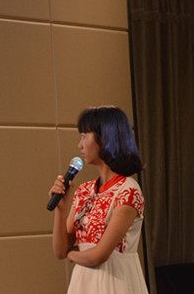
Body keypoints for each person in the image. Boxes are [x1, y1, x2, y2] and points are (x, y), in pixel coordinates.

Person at [49, 106, 147, 293]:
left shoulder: (128, 190)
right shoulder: (84, 191)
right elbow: (60, 251)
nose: (80, 145)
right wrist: (61, 209)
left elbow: (99, 255)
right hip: (84, 282)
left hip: (115, 282)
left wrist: (73, 254)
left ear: (104, 139)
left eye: (84, 136)